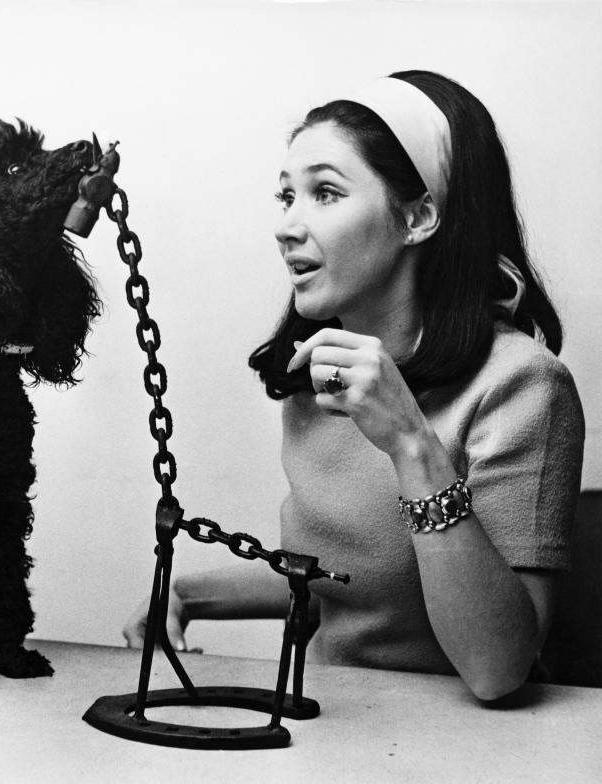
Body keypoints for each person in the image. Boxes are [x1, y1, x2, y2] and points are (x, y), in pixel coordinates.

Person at [122, 70, 585, 701]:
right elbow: (353, 586)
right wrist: (185, 595)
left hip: (471, 746)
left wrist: (411, 445)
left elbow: (497, 669)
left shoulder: (524, 386)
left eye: (326, 193)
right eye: (286, 197)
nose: (287, 226)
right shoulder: (319, 380)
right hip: (334, 725)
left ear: (418, 216)